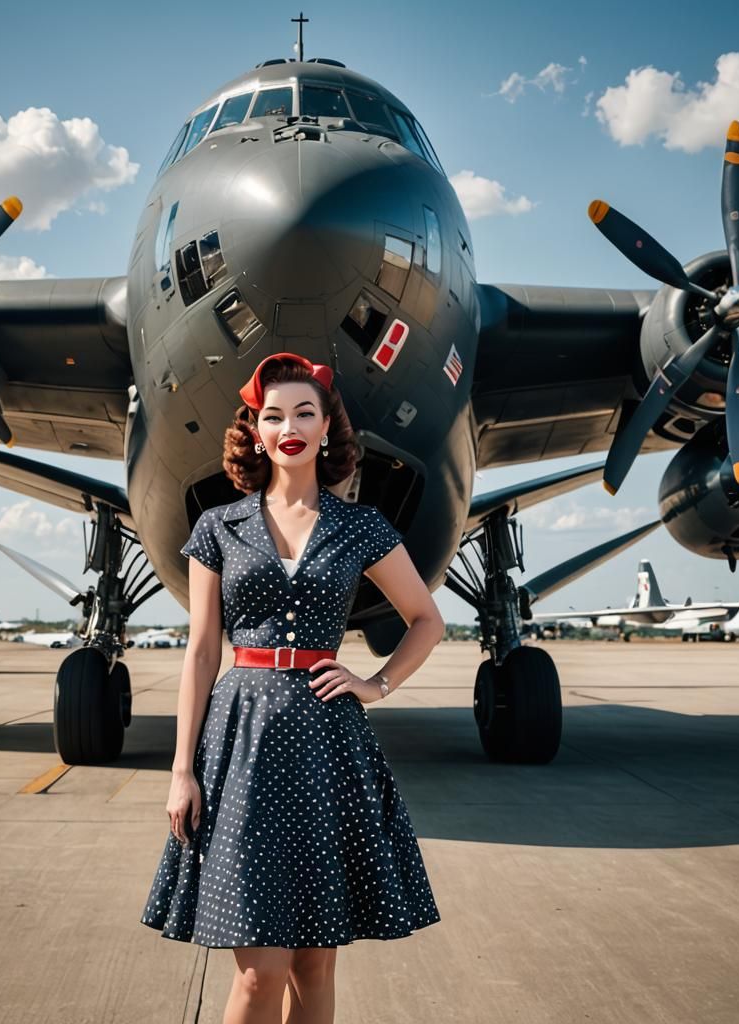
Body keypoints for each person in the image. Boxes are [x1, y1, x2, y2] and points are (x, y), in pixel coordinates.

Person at [140, 352, 445, 1023]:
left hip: (326, 745)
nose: (290, 426)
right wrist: (180, 770)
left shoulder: (358, 526)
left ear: (328, 428)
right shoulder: (219, 527)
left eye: (305, 412)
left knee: (316, 961)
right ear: (255, 431)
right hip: (240, 742)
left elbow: (426, 619)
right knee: (260, 972)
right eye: (273, 415)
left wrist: (377, 683)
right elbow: (199, 653)